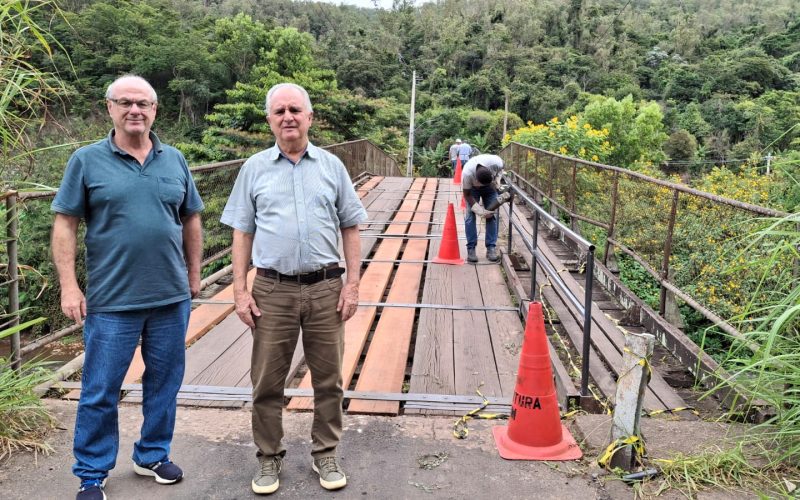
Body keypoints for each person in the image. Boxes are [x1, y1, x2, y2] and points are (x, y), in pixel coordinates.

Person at [51, 75, 204, 500]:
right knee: (101, 389)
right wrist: (69, 286)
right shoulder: (86, 160)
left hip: (170, 297)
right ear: (110, 108)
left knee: (164, 382)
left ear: (155, 110)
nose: (135, 110)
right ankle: (92, 471)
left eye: (143, 103)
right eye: (125, 102)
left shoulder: (174, 159)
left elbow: (191, 217)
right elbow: (65, 223)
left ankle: (152, 454)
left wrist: (194, 274)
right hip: (111, 300)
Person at [220, 82, 366, 495]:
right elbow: (242, 232)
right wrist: (239, 290)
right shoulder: (254, 168)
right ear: (269, 119)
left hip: (326, 287)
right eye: (280, 111)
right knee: (267, 381)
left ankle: (326, 452)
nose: (288, 117)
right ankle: (268, 456)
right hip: (272, 289)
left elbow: (351, 226)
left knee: (329, 380)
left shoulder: (332, 166)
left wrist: (352, 285)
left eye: (295, 110)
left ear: (309, 117)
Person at [461, 154, 506, 263]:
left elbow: (503, 166)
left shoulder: (495, 162)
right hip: (472, 190)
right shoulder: (467, 174)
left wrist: (497, 180)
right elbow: (467, 195)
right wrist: (480, 211)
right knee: (470, 217)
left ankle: (491, 248)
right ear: (476, 179)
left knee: (491, 215)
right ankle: (471, 248)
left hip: (490, 187)